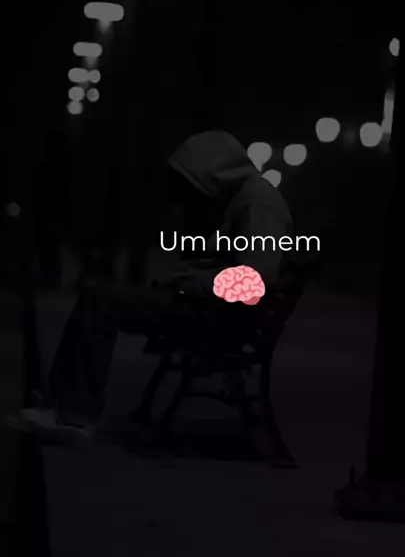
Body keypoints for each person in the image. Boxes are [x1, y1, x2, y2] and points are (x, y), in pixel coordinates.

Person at [7, 130, 292, 446]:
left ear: (214, 171)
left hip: (220, 317)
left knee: (101, 298)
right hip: (215, 310)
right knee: (99, 293)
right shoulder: (247, 198)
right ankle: (63, 401)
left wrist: (193, 283)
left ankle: (74, 413)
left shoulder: (257, 203)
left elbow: (256, 278)